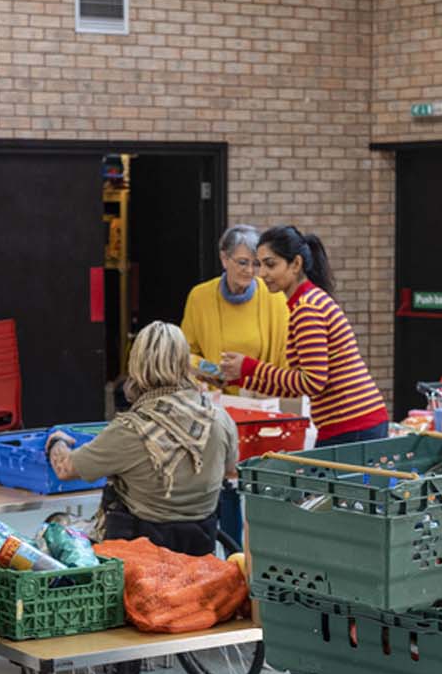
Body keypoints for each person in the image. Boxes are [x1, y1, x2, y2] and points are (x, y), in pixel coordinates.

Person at [46, 322, 236, 555]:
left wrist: (57, 442)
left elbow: (65, 469)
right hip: (201, 554)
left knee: (57, 523)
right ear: (185, 363)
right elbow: (230, 469)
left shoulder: (131, 430)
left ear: (136, 364)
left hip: (139, 561)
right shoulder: (219, 419)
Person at [217, 227, 387, 444]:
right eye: (260, 265)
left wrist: (250, 367)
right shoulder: (307, 302)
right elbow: (298, 384)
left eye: (270, 264)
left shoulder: (307, 309)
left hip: (351, 426)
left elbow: (312, 382)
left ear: (296, 264)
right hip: (354, 423)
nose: (261, 274)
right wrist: (242, 378)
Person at [179, 224, 288, 383]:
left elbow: (285, 355)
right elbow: (185, 355)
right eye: (243, 262)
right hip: (213, 399)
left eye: (256, 264)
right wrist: (215, 373)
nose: (250, 271)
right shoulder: (199, 297)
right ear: (224, 259)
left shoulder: (275, 297)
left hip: (260, 398)